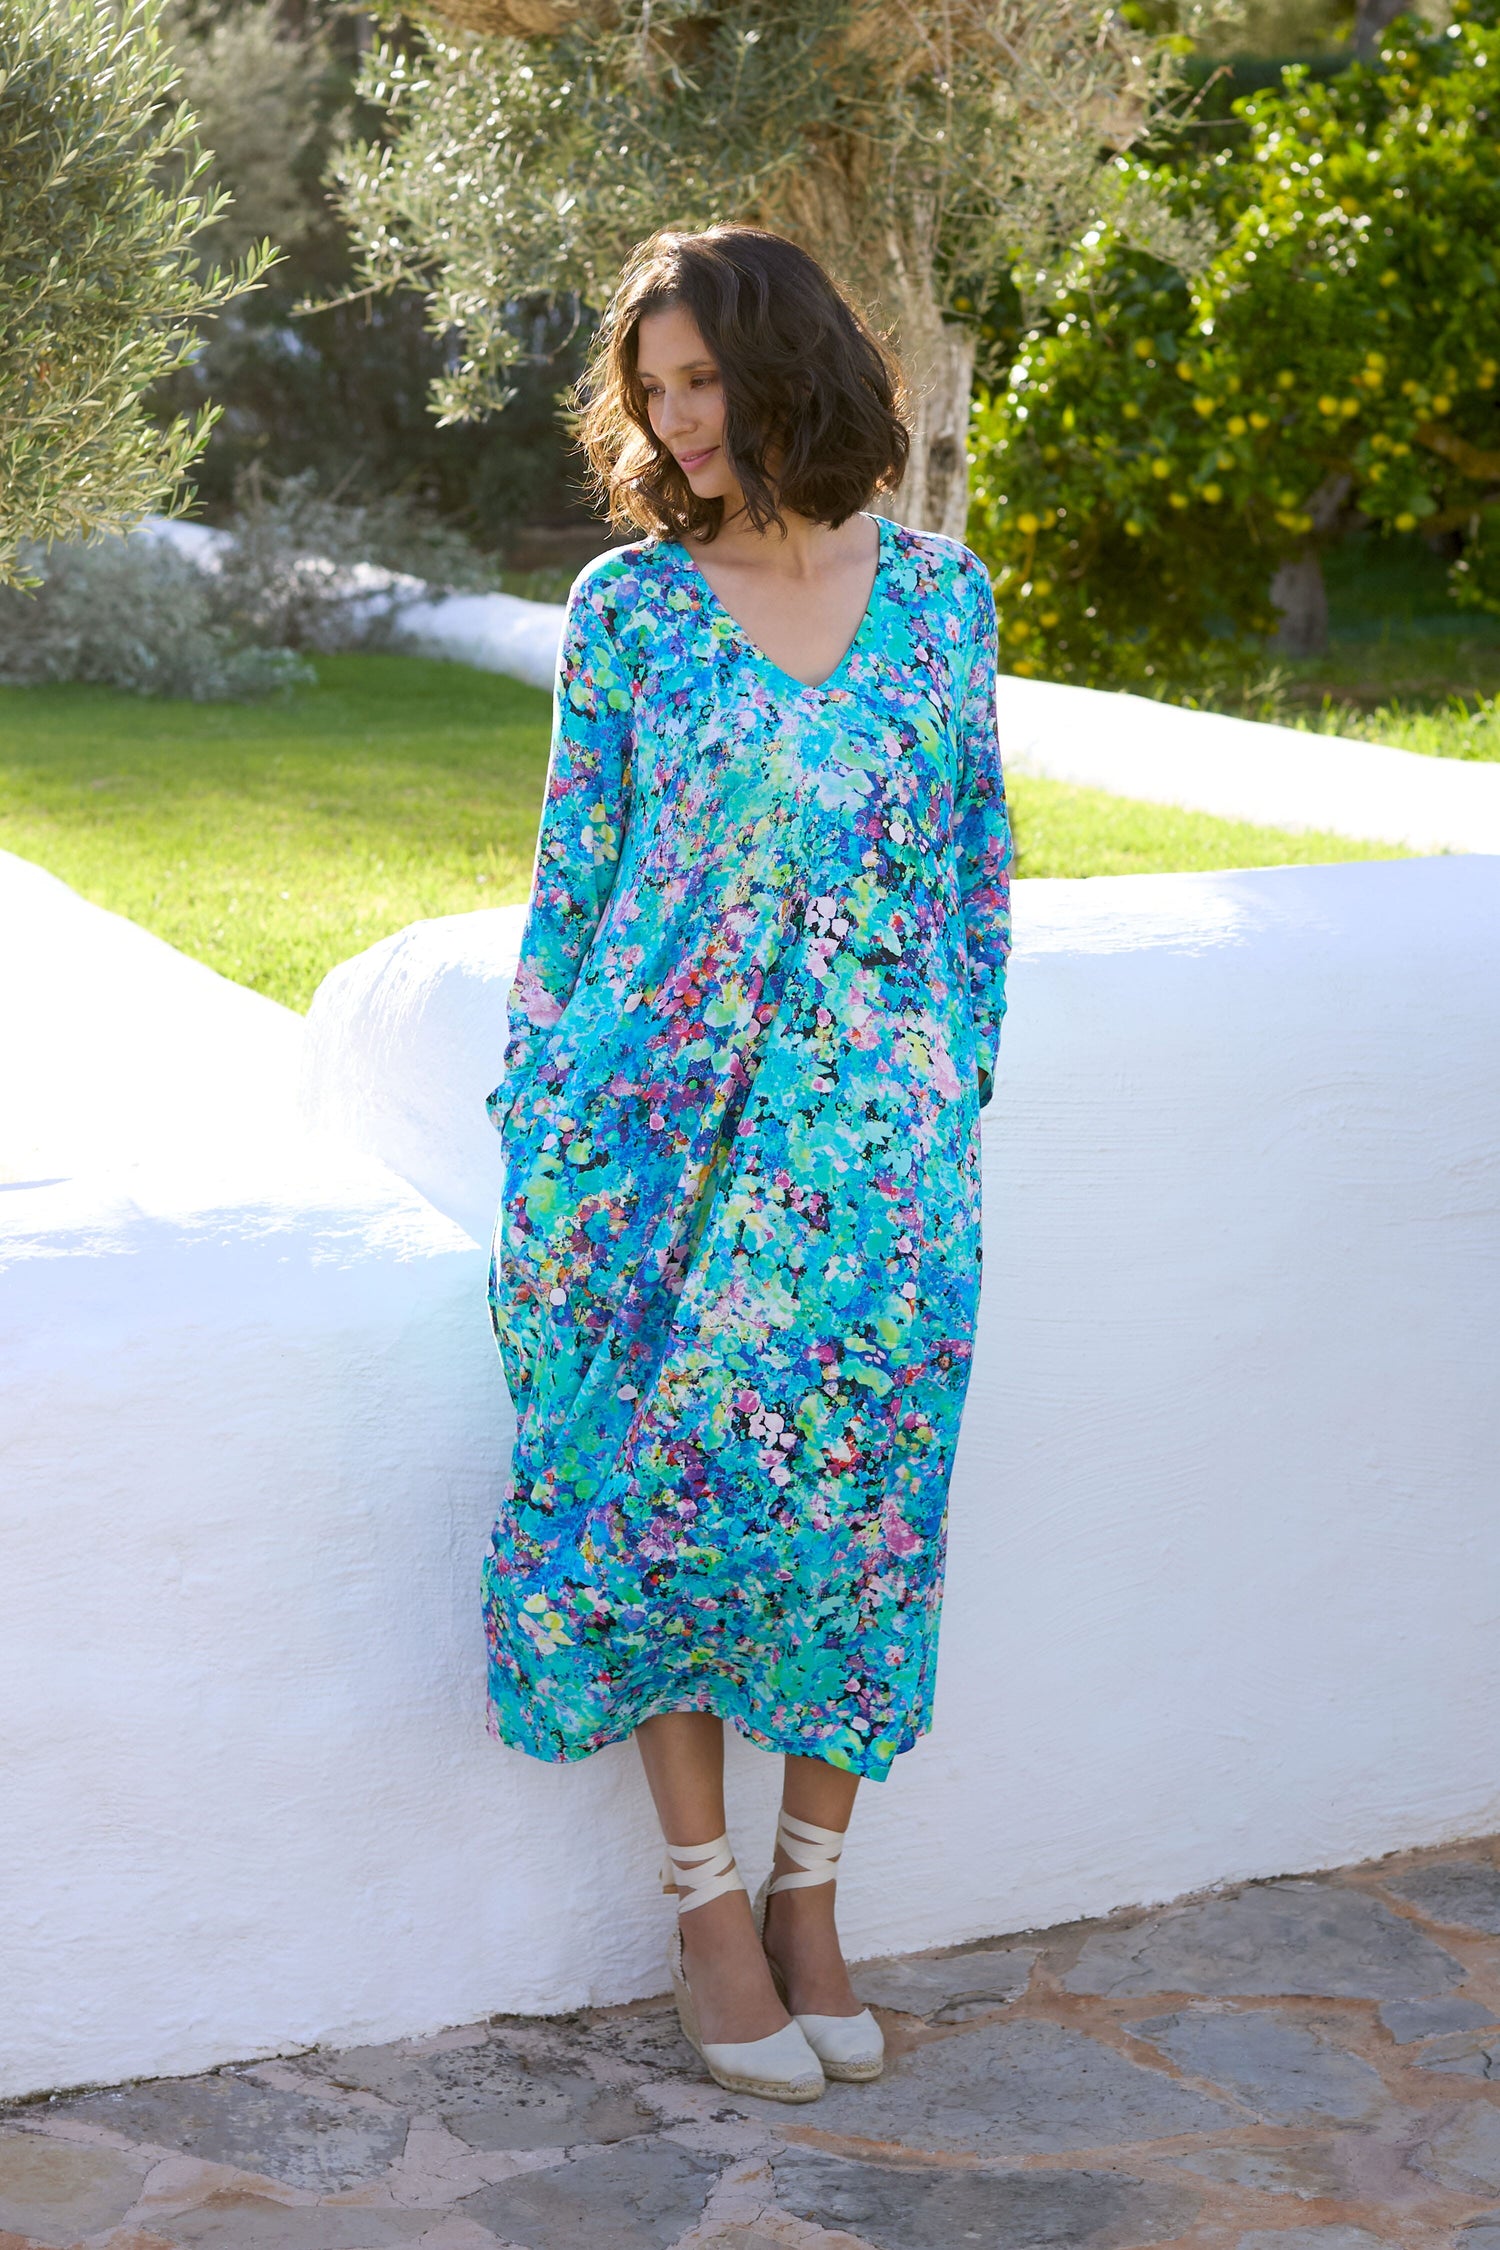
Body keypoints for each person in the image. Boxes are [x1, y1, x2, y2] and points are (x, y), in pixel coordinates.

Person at [482, 224, 1013, 2103]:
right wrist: (545, 1108)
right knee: (659, 1512)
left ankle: (814, 1897)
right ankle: (707, 1905)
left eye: (703, 378)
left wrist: (944, 1101)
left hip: (872, 1153)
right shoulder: (631, 612)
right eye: (656, 390)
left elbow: (970, 888)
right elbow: (576, 887)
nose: (677, 419)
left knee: (861, 1510)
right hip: (654, 1142)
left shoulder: (945, 606)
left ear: (787, 369)